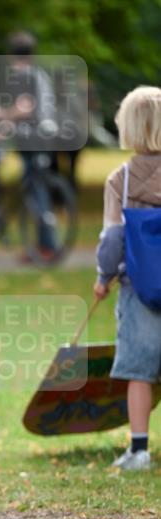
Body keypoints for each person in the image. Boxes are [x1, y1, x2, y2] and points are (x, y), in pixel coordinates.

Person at [93, 85, 161, 471]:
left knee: (139, 371)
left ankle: (139, 450)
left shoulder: (121, 180)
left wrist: (104, 277)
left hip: (140, 286)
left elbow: (112, 241)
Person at [0, 31, 59, 257]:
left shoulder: (23, 76)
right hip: (41, 137)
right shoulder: (37, 75)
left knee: (36, 191)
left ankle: (47, 246)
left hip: (34, 139)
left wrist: (0, 115)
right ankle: (42, 245)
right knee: (34, 188)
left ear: (11, 55)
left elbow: (25, 108)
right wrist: (1, 130)